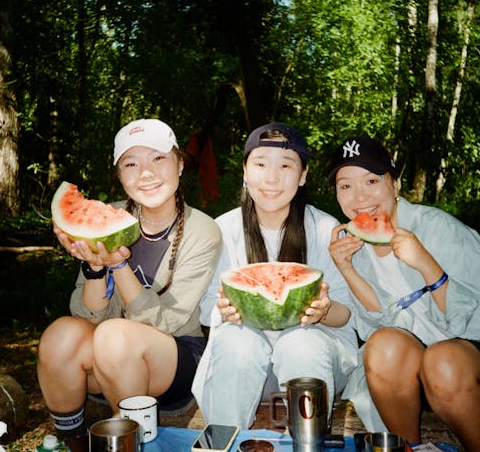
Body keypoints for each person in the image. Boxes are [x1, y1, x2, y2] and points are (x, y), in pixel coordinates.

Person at [326, 135, 480, 452]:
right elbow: (375, 329)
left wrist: (426, 264)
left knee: (442, 359)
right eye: (345, 185)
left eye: (370, 180)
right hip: (413, 378)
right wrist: (348, 270)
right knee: (381, 345)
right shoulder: (356, 248)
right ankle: (410, 449)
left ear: (395, 185)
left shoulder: (441, 228)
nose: (359, 196)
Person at [37, 119, 222, 449]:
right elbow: (87, 315)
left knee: (114, 335)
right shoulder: (109, 215)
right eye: (131, 164)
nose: (146, 173)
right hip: (109, 357)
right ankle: (72, 443)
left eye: (158, 158)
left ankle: (130, 445)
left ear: (179, 164)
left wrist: (119, 265)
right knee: (60, 335)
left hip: (175, 360)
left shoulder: (202, 231)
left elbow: (172, 320)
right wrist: (95, 268)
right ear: (120, 175)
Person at [191, 122, 360, 430]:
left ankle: (309, 442)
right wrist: (224, 309)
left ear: (303, 174)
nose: (271, 178)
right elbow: (206, 309)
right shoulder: (222, 230)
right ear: (245, 170)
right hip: (242, 364)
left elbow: (347, 313)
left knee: (300, 344)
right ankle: (222, 442)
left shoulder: (324, 229)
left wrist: (323, 312)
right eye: (260, 164)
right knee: (238, 343)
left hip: (317, 361)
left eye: (285, 165)